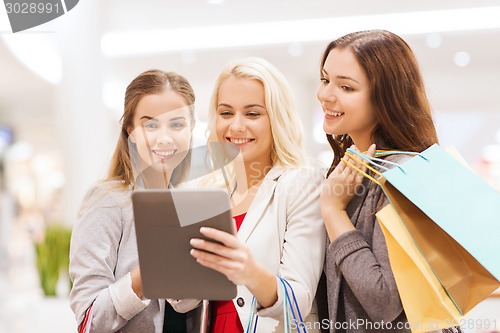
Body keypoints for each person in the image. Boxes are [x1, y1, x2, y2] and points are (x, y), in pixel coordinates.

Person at [317, 30, 461, 333]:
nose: (326, 94)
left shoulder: (401, 174)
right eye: (325, 79)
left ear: (386, 97)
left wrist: (333, 212)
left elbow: (384, 302)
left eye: (346, 86)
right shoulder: (354, 171)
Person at [173, 57, 326, 332]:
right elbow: (183, 303)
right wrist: (174, 266)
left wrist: (249, 271)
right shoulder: (208, 190)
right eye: (226, 113)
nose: (236, 126)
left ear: (276, 119)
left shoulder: (302, 183)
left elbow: (299, 302)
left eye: (252, 114)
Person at [69, 69, 202, 333]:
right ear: (130, 130)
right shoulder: (107, 202)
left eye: (176, 124)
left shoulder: (190, 205)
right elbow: (89, 321)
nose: (164, 137)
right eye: (150, 125)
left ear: (191, 130)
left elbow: (185, 310)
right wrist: (146, 275)